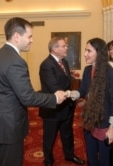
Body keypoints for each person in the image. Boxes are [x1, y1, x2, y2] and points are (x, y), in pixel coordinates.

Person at [0, 17, 67, 166]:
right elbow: (27, 97)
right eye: (29, 36)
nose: (32, 40)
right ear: (17, 36)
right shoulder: (16, 61)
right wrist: (53, 98)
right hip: (9, 126)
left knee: (1, 161)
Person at [71, 38, 113, 166]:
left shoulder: (111, 73)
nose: (85, 54)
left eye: (89, 51)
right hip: (89, 119)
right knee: (91, 157)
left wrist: (112, 128)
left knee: (105, 160)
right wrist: (70, 94)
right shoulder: (87, 70)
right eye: (85, 50)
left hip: (104, 122)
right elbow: (82, 91)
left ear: (99, 53)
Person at [39, 37, 85, 166]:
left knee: (68, 134)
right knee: (49, 138)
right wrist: (71, 94)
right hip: (53, 110)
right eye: (64, 46)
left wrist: (72, 98)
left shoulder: (64, 62)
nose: (67, 48)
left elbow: (66, 83)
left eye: (66, 45)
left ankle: (69, 155)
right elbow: (54, 88)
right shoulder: (46, 65)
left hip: (67, 107)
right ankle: (48, 161)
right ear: (54, 49)